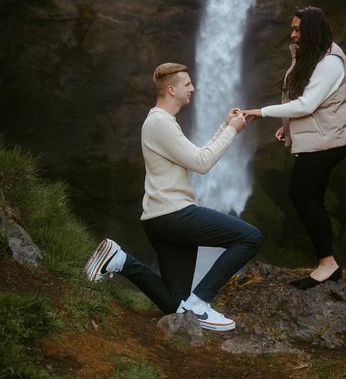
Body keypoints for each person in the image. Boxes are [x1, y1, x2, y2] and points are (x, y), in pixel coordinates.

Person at [85, 62, 263, 331]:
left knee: (176, 305)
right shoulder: (159, 122)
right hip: (175, 215)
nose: (193, 88)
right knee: (250, 237)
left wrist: (224, 126)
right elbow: (202, 164)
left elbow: (195, 155)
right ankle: (202, 301)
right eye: (187, 84)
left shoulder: (163, 122)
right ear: (171, 89)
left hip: (161, 219)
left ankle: (119, 259)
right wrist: (232, 131)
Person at [243, 6, 346, 289]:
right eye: (293, 29)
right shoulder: (311, 56)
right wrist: (289, 127)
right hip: (325, 136)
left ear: (313, 32)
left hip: (331, 141)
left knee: (301, 193)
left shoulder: (329, 62)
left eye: (298, 30)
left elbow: (307, 104)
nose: (292, 34)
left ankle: (327, 263)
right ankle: (327, 262)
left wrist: (261, 112)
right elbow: (312, 103)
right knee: (312, 196)